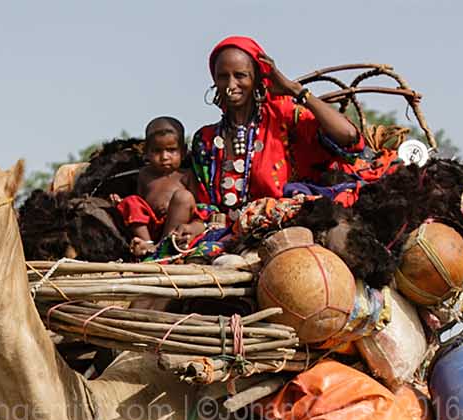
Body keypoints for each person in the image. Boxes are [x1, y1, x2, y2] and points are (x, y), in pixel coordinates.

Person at [190, 36, 375, 225]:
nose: (230, 85)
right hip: (225, 237)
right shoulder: (205, 140)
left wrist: (294, 89)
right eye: (222, 76)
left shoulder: (286, 117)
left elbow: (349, 137)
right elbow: (204, 203)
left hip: (288, 226)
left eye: (240, 75)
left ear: (257, 79)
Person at [112, 117, 204, 257]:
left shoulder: (186, 175)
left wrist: (172, 208)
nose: (164, 157)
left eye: (171, 150)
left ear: (183, 151)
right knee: (131, 201)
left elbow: (195, 206)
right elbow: (141, 203)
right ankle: (147, 244)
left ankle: (164, 246)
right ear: (146, 152)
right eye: (157, 151)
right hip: (151, 226)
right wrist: (122, 203)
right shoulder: (145, 174)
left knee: (183, 197)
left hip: (176, 227)